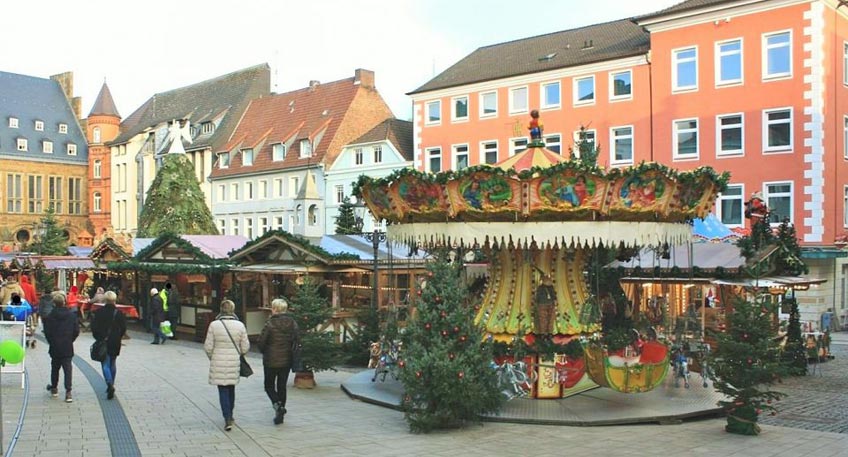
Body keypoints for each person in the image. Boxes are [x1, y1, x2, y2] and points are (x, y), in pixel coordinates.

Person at [204, 300, 249, 431]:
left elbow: (208, 347)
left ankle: (227, 417)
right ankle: (230, 414)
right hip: (234, 360)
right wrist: (239, 353)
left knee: (222, 389)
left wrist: (213, 357)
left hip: (218, 360)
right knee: (231, 387)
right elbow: (245, 347)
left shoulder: (214, 325)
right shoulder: (240, 325)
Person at [257, 298, 300, 425]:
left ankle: (277, 405)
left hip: (270, 360)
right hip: (286, 359)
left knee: (269, 385)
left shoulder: (270, 324)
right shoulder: (292, 323)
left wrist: (264, 351)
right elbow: (297, 339)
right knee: (282, 386)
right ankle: (280, 414)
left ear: (275, 309)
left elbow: (261, 342)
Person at [44, 292, 79, 403]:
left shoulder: (49, 317)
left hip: (55, 345)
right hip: (67, 345)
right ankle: (68, 392)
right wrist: (70, 339)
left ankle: (54, 388)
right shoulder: (71, 315)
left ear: (54, 303)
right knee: (67, 369)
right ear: (64, 302)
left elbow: (47, 332)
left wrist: (51, 342)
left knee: (55, 367)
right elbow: (76, 331)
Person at [91, 291, 127, 400]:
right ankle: (112, 383)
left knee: (105, 363)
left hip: (103, 340)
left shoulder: (99, 312)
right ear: (114, 300)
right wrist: (119, 336)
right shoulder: (119, 313)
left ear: (105, 300)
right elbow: (124, 328)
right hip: (115, 340)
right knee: (113, 362)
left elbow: (94, 327)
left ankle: (109, 383)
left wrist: (98, 337)